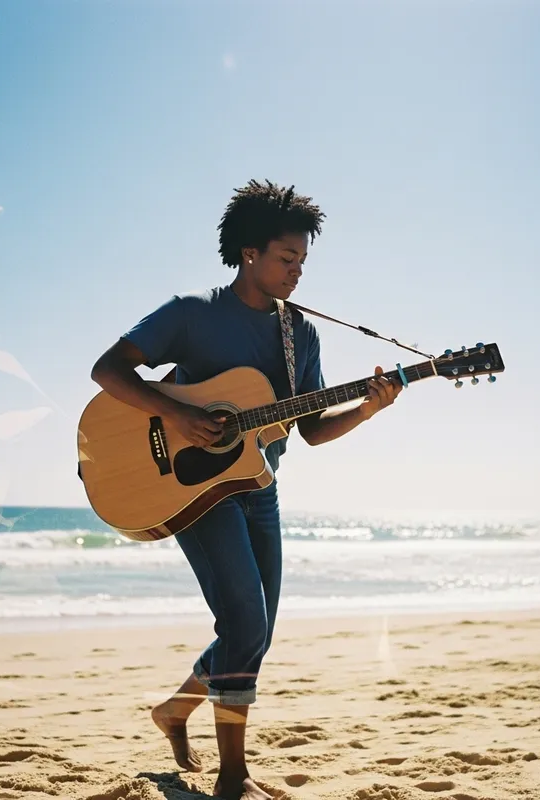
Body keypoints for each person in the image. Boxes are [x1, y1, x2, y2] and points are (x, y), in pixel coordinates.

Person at [90, 179, 402, 800]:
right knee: (241, 618)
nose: (297, 273)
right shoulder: (191, 312)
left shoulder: (300, 335)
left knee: (254, 631)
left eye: (303, 263)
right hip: (192, 488)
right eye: (287, 259)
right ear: (250, 253)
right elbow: (108, 369)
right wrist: (177, 416)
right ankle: (234, 777)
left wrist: (368, 409)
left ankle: (175, 712)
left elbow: (310, 430)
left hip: (258, 484)